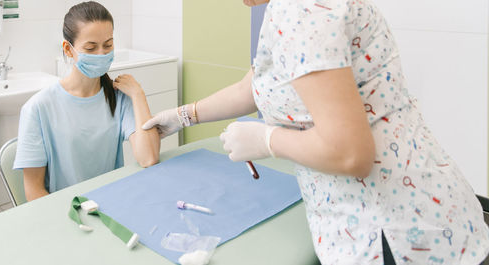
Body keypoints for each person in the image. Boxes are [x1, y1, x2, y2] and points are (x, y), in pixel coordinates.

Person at [143, 0, 489, 264]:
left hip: (394, 234)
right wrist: (183, 115)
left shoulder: (300, 12)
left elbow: (351, 154)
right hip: (426, 207)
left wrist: (267, 140)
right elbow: (256, 85)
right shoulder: (287, 8)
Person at [14, 1, 160, 202]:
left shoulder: (119, 97)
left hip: (112, 205)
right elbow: (34, 193)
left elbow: (149, 158)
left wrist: (138, 95)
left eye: (108, 45)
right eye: (91, 48)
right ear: (68, 49)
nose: (102, 54)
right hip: (65, 214)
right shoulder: (38, 108)